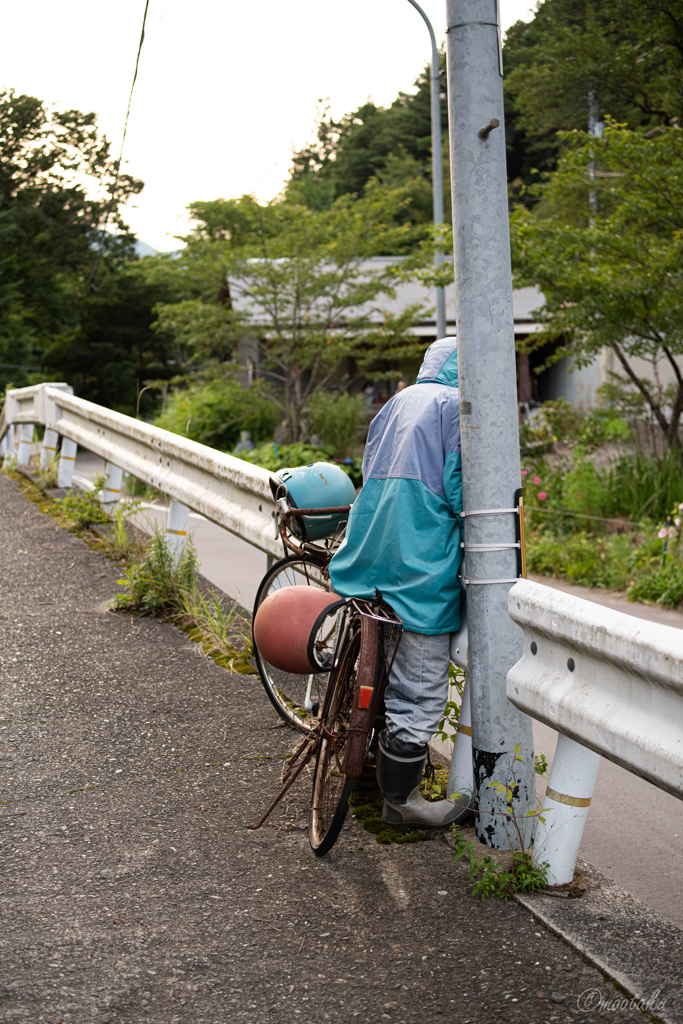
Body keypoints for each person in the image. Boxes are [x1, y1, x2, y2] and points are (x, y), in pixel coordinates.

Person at [329, 337, 468, 827]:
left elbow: (369, 468)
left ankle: (362, 759)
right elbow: (458, 490)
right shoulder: (455, 405)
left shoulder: (396, 401)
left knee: (380, 667)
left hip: (370, 551)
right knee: (421, 687)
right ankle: (401, 802)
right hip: (420, 561)